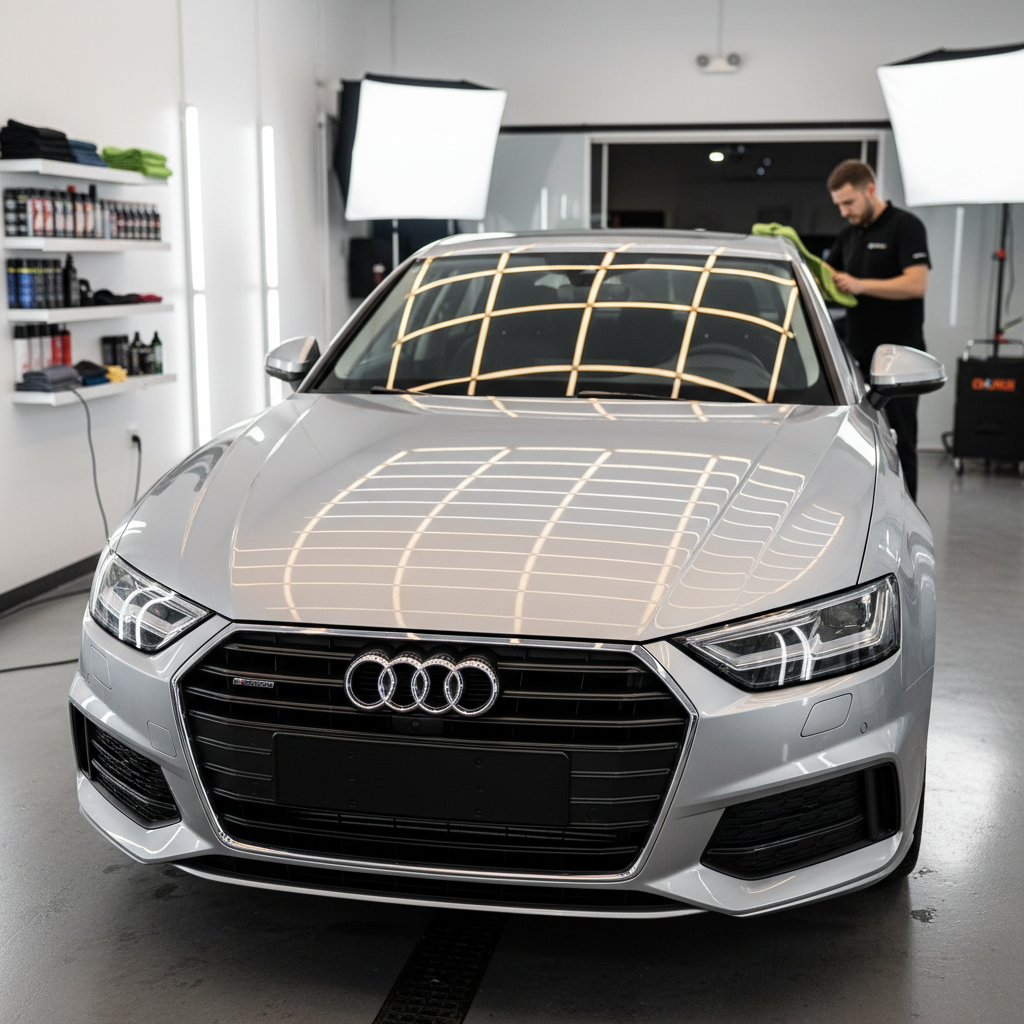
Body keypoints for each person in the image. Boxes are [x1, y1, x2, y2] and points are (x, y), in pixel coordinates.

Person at [826, 159, 930, 499]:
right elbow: (828, 275)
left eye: (849, 202)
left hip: (898, 363)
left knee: (899, 445)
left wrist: (859, 285)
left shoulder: (906, 226)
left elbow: (916, 284)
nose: (844, 211)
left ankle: (907, 518)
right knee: (856, 445)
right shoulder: (850, 234)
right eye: (839, 204)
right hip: (856, 361)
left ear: (870, 190)